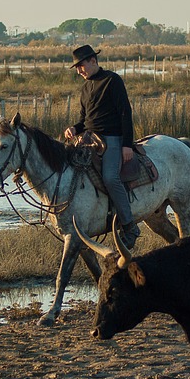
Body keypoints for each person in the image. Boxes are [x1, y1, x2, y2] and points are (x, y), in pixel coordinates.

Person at [63, 44, 141, 248]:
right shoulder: (85, 87)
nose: (79, 70)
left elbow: (125, 114)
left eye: (81, 66)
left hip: (112, 138)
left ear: (93, 61)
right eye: (77, 67)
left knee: (110, 178)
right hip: (88, 139)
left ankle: (129, 225)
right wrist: (74, 128)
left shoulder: (112, 80)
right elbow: (84, 120)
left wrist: (126, 146)